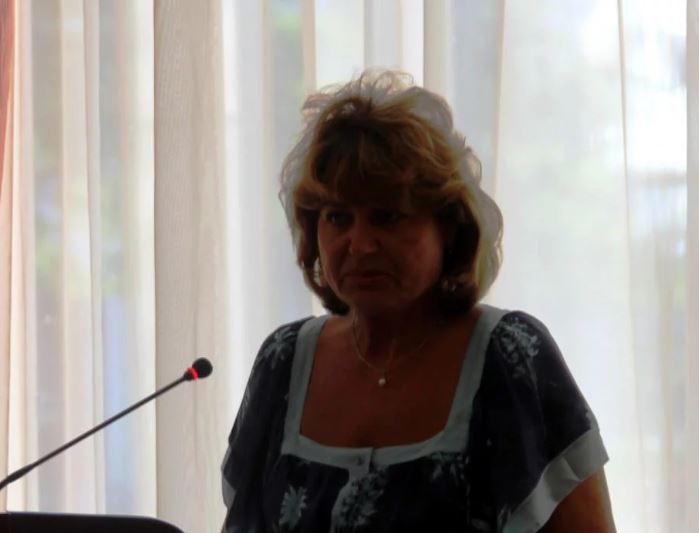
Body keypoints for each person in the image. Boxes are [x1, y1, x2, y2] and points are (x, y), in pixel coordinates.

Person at [221, 70, 615, 532]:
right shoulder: (283, 363)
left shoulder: (510, 358)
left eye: (387, 217)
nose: (359, 244)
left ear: (448, 227)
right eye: (337, 217)